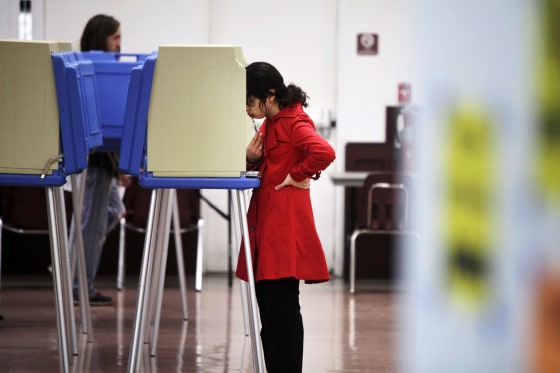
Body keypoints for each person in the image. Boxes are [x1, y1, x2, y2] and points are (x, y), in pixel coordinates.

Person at [236, 62, 336, 373]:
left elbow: (324, 152)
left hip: (282, 233)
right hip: (265, 227)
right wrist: (250, 159)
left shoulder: (293, 122)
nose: (248, 109)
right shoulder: (271, 122)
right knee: (270, 315)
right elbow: (264, 165)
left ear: (269, 95)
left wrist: (298, 174)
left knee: (283, 317)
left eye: (251, 101)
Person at [73, 14, 128, 306]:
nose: (120, 44)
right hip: (95, 161)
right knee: (90, 226)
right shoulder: (92, 72)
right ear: (100, 39)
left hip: (103, 161)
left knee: (104, 216)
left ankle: (71, 269)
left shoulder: (102, 71)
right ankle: (81, 285)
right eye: (115, 38)